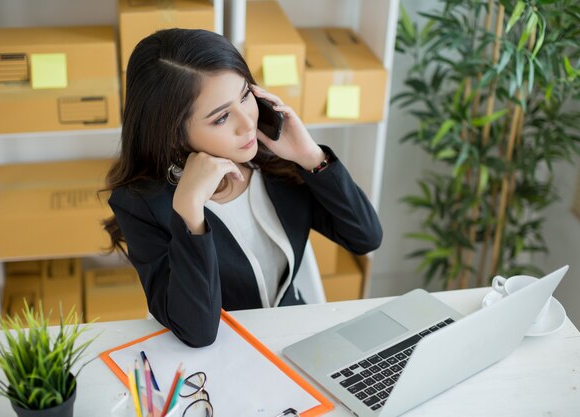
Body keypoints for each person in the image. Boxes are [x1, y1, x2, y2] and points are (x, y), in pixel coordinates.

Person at [104, 29, 382, 347]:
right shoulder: (143, 204)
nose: (248, 123)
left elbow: (365, 237)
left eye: (245, 96)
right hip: (219, 358)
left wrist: (312, 158)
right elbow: (198, 332)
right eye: (222, 117)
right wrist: (190, 212)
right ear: (174, 134)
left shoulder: (273, 159)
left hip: (295, 339)